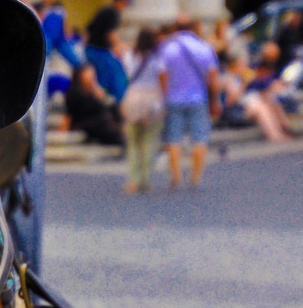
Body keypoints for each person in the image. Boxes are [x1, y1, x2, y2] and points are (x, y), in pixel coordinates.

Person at [159, 14, 221, 187]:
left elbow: (162, 75)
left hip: (173, 98)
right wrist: (215, 99)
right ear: (194, 27)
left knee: (173, 138)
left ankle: (176, 175)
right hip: (198, 98)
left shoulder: (167, 48)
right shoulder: (203, 47)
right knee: (200, 137)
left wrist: (165, 95)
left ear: (175, 28)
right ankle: (195, 176)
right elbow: (213, 77)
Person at [120, 27, 165, 194]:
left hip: (133, 95)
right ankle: (146, 179)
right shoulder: (157, 58)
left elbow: (127, 74)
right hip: (152, 97)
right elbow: (163, 80)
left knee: (133, 141)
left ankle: (134, 179)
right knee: (150, 140)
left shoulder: (130, 56)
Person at [219, 52, 296, 142]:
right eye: (242, 65)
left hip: (248, 105)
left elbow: (256, 90)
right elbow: (230, 101)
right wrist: (244, 84)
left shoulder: (242, 77)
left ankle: (285, 128)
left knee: (271, 101)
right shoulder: (229, 79)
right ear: (234, 66)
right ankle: (274, 135)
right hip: (235, 111)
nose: (245, 67)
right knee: (261, 108)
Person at [85, 0, 134, 102]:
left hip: (92, 50)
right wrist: (120, 46)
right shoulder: (113, 13)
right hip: (100, 51)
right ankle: (116, 105)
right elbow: (111, 35)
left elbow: (88, 29)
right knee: (117, 77)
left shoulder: (103, 10)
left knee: (101, 79)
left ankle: (101, 103)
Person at [64, 63, 124, 146]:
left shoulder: (95, 90)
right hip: (86, 123)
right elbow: (71, 113)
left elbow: (108, 104)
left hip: (99, 123)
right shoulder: (75, 92)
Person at [37, 0, 83, 71]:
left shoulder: (59, 6)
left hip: (60, 38)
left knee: (74, 58)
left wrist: (68, 34)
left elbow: (65, 22)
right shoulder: (39, 6)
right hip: (47, 37)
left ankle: (81, 71)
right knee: (43, 54)